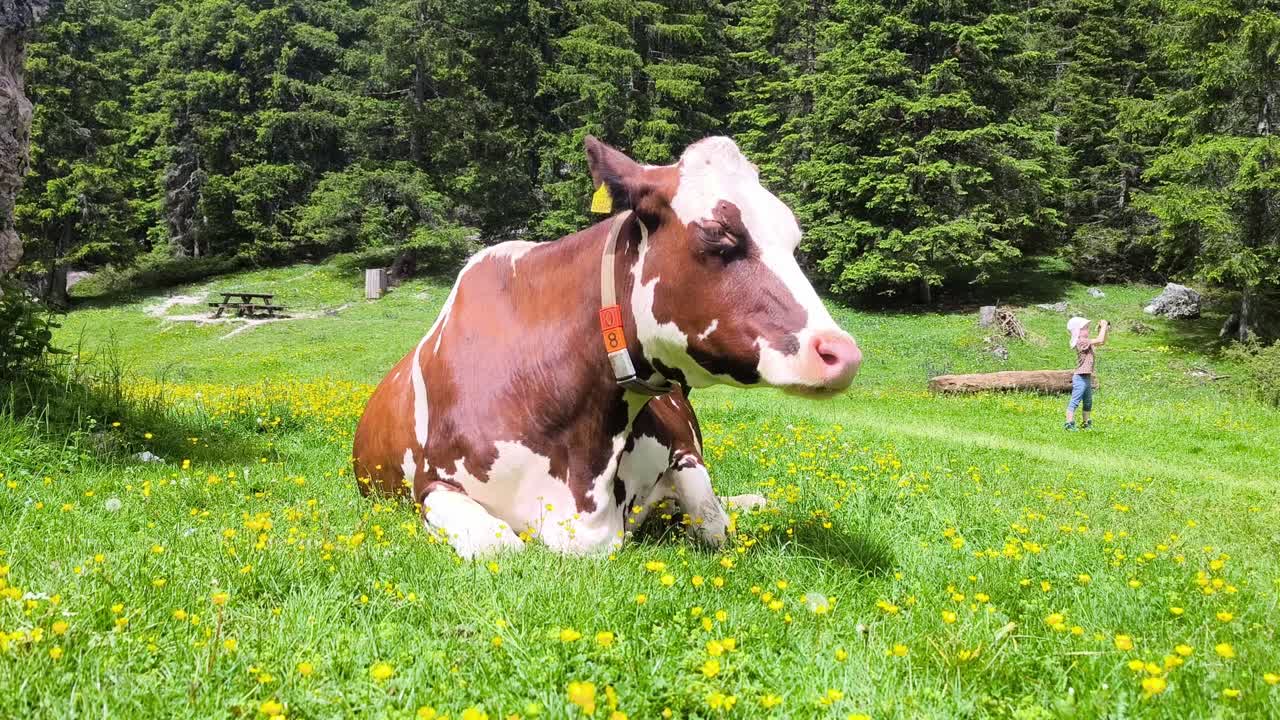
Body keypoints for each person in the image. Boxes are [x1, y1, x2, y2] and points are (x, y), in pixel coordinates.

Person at [1065, 316, 1108, 430]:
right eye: (1085, 328)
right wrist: (1103, 326)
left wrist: (1104, 329)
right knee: (1075, 400)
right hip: (1080, 377)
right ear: (1077, 331)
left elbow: (1102, 341)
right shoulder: (1081, 341)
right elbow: (1099, 340)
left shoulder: (1087, 342)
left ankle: (1086, 423)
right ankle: (1069, 423)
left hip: (1087, 377)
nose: (1088, 330)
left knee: (1088, 402)